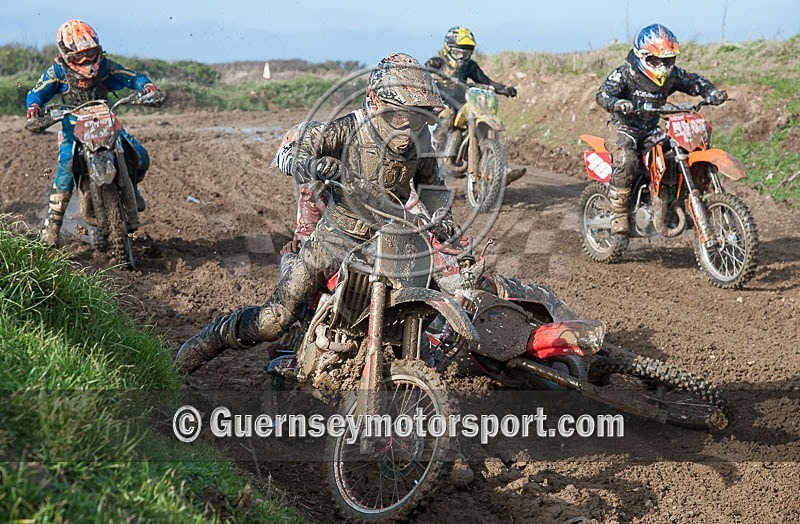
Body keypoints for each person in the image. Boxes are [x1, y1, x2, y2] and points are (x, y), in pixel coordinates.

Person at [176, 53, 457, 373]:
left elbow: (433, 187)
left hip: (393, 238)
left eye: (418, 116)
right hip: (337, 237)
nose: (410, 124)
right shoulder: (350, 128)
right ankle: (202, 344)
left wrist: (442, 217)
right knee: (275, 319)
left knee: (427, 301)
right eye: (403, 115)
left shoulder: (421, 142)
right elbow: (292, 150)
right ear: (377, 103)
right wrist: (309, 163)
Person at [25, 19, 162, 245]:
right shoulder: (57, 71)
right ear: (67, 54)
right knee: (67, 168)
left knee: (140, 156)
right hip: (73, 129)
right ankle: (51, 227)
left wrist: (146, 86)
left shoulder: (105, 66)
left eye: (91, 53)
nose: (87, 60)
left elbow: (131, 75)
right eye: (80, 56)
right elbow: (36, 92)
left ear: (99, 48)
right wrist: (34, 107)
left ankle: (132, 188)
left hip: (107, 122)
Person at [596, 23, 727, 234]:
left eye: (668, 60)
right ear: (642, 55)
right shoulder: (625, 74)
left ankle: (672, 202)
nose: (663, 66)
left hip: (650, 130)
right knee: (627, 160)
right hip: (623, 128)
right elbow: (602, 94)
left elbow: (694, 81)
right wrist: (617, 103)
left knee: (675, 155)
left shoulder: (672, 75)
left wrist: (711, 92)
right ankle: (618, 213)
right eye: (656, 60)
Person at [425, 26, 525, 184]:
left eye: (466, 52)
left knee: (482, 127)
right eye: (459, 52)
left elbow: (486, 81)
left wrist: (504, 89)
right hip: (441, 106)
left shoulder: (469, 66)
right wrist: (436, 83)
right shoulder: (436, 62)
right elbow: (424, 77)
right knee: (448, 115)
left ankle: (497, 170)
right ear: (448, 48)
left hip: (463, 105)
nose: (462, 57)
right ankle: (433, 151)